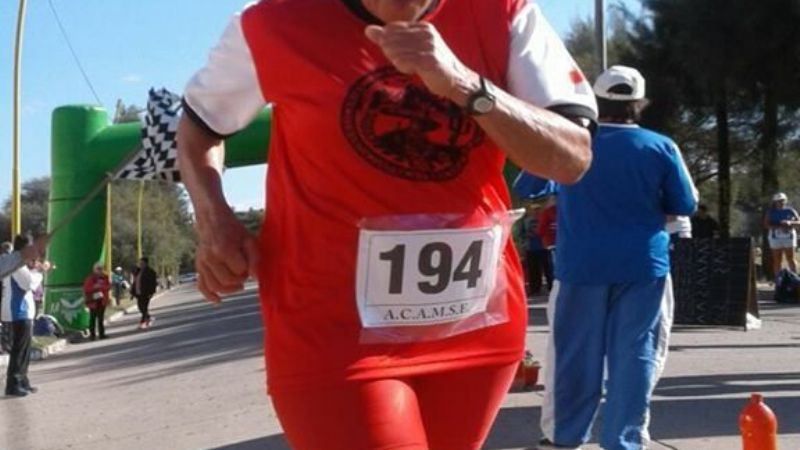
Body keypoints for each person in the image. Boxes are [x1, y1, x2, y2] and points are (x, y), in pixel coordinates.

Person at [177, 1, 598, 448]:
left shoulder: (503, 13)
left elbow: (571, 158)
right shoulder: (272, 23)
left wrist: (464, 84)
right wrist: (214, 220)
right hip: (329, 328)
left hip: (473, 325)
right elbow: (198, 130)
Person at [514, 65, 697, 450]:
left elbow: (527, 186)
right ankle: (623, 440)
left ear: (595, 101)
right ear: (640, 103)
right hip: (643, 267)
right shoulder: (661, 146)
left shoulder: (572, 141)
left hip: (580, 266)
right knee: (637, 354)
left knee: (573, 355)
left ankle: (565, 436)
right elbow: (685, 204)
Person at [2, 235, 48, 397]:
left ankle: (22, 380)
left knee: (25, 350)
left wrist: (35, 269)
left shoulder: (21, 264)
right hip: (17, 312)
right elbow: (28, 284)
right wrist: (40, 271)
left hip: (23, 312)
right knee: (19, 350)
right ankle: (13, 384)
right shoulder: (17, 265)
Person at [764, 192, 800, 277]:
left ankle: (795, 278)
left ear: (785, 201)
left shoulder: (790, 211)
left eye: (782, 200)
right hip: (775, 237)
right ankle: (778, 280)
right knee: (777, 260)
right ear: (775, 202)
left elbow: (799, 222)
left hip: (789, 236)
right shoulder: (770, 212)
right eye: (779, 201)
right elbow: (766, 225)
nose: (781, 203)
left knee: (790, 258)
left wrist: (790, 222)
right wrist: (779, 227)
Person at [521, 205, 553, 296]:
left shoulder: (545, 219)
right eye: (534, 210)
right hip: (531, 248)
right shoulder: (525, 221)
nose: (536, 212)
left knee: (548, 269)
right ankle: (535, 289)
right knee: (533, 270)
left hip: (544, 247)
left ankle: (551, 287)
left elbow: (548, 229)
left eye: (538, 209)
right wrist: (526, 238)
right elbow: (521, 233)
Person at [83, 263, 111, 340]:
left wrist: (101, 287)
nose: (99, 270)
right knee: (93, 318)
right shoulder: (90, 278)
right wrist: (94, 287)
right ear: (94, 270)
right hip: (93, 301)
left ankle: (102, 334)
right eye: (98, 269)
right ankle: (92, 335)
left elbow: (108, 286)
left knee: (101, 318)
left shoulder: (105, 277)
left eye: (101, 268)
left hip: (102, 301)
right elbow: (86, 289)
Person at [133, 257, 158, 329]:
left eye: (142, 263)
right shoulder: (139, 271)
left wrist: (151, 292)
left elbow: (153, 283)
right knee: (141, 307)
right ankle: (148, 319)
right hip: (138, 293)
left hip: (146, 293)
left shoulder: (150, 272)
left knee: (143, 308)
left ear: (146, 263)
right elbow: (135, 282)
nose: (140, 264)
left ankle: (143, 323)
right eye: (140, 263)